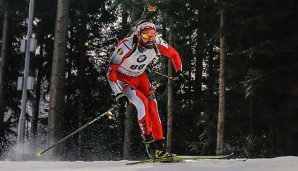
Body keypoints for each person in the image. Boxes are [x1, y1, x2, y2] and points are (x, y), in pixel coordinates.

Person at [106, 19, 186, 159]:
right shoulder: (125, 46)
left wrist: (179, 72)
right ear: (138, 34)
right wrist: (118, 94)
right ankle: (150, 145)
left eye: (153, 35)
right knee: (142, 102)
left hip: (140, 78)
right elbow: (110, 72)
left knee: (153, 107)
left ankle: (160, 149)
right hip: (122, 79)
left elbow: (174, 54)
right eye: (146, 36)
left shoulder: (157, 42)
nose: (151, 39)